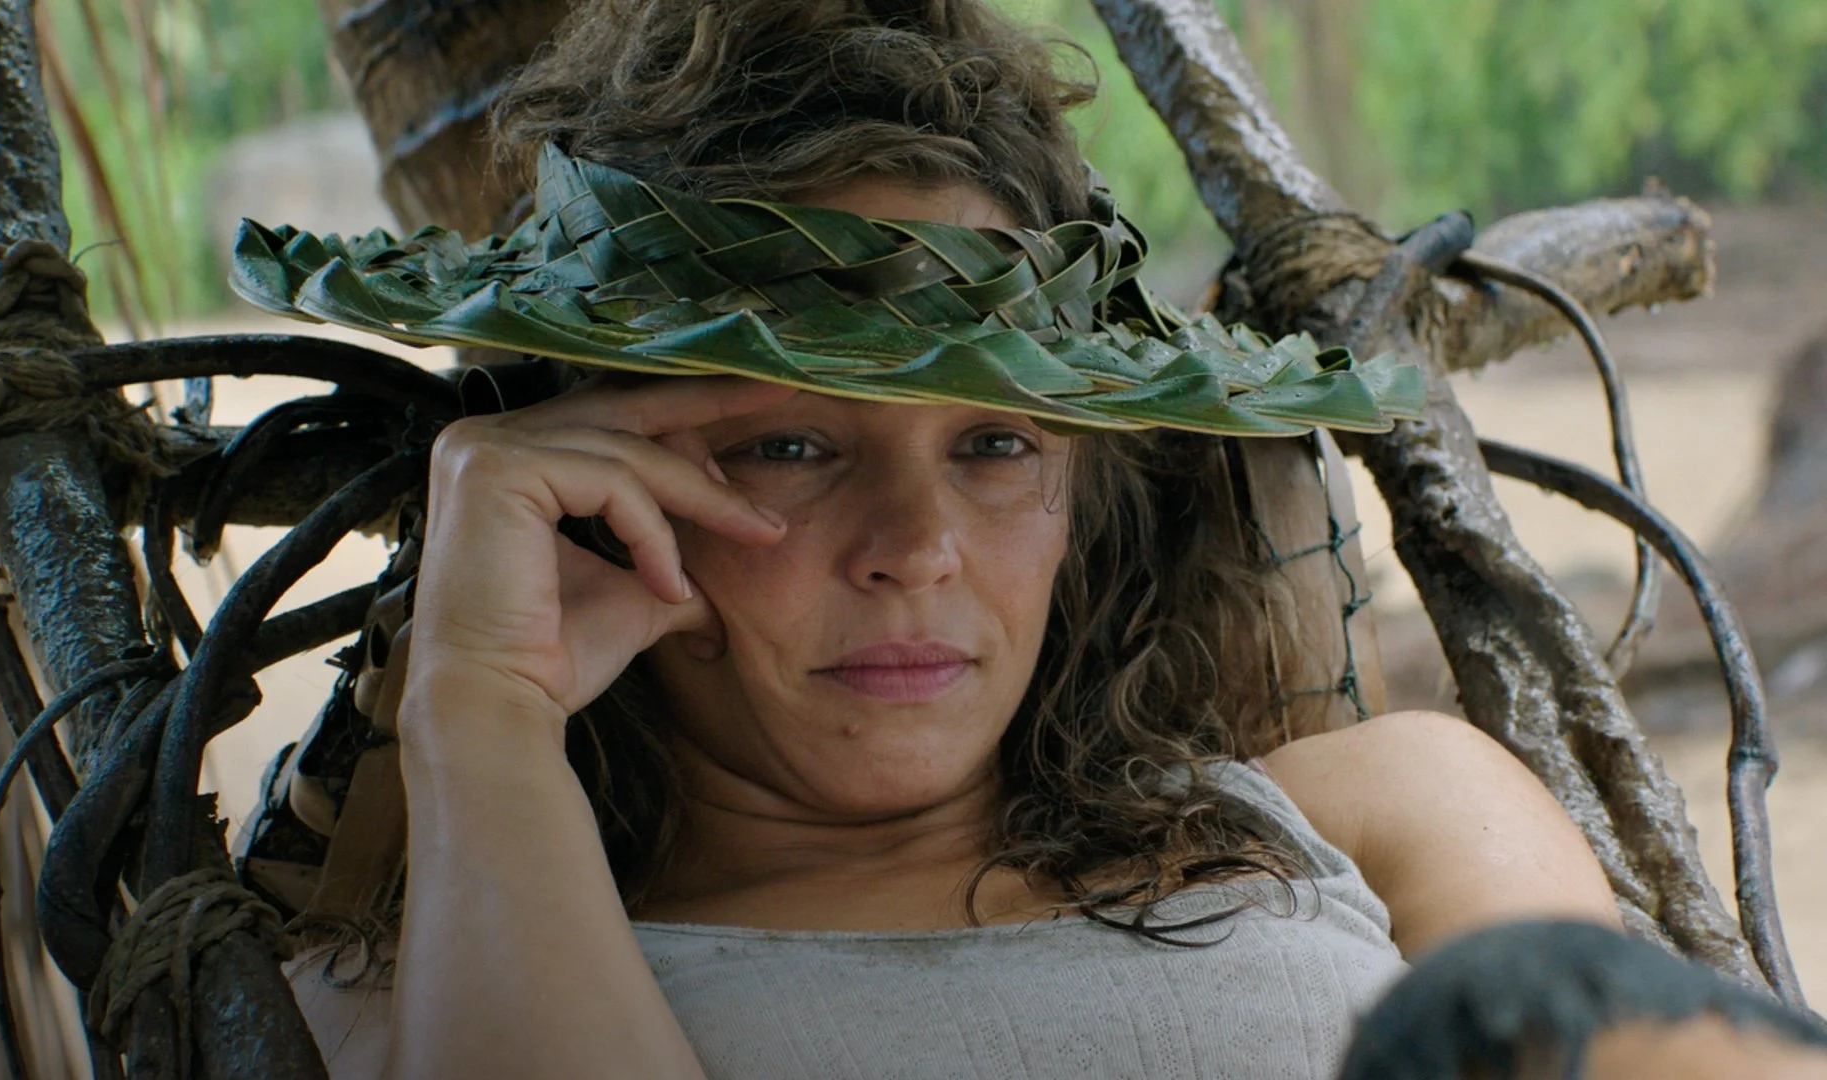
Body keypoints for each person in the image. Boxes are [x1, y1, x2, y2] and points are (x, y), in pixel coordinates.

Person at [279, 1, 1637, 1076]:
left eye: (994, 446)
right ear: (595, 494)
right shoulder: (440, 977)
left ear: (1080, 492)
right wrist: (483, 703)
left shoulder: (1393, 814)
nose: (917, 547)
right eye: (790, 447)